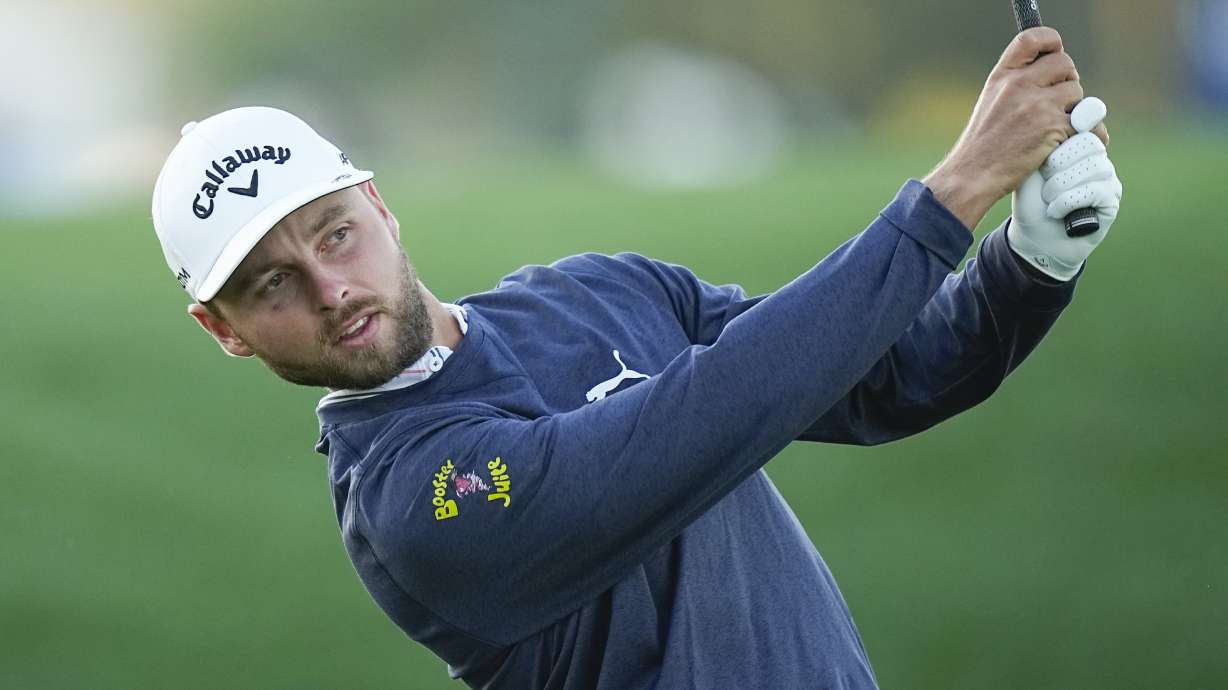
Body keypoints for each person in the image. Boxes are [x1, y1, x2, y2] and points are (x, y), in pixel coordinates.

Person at [151, 28, 1121, 690]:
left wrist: (1031, 258)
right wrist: (952, 194)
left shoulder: (600, 292)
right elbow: (700, 420)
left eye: (333, 235)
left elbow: (887, 372)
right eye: (270, 285)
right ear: (223, 328)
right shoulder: (416, 503)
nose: (330, 290)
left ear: (380, 207)